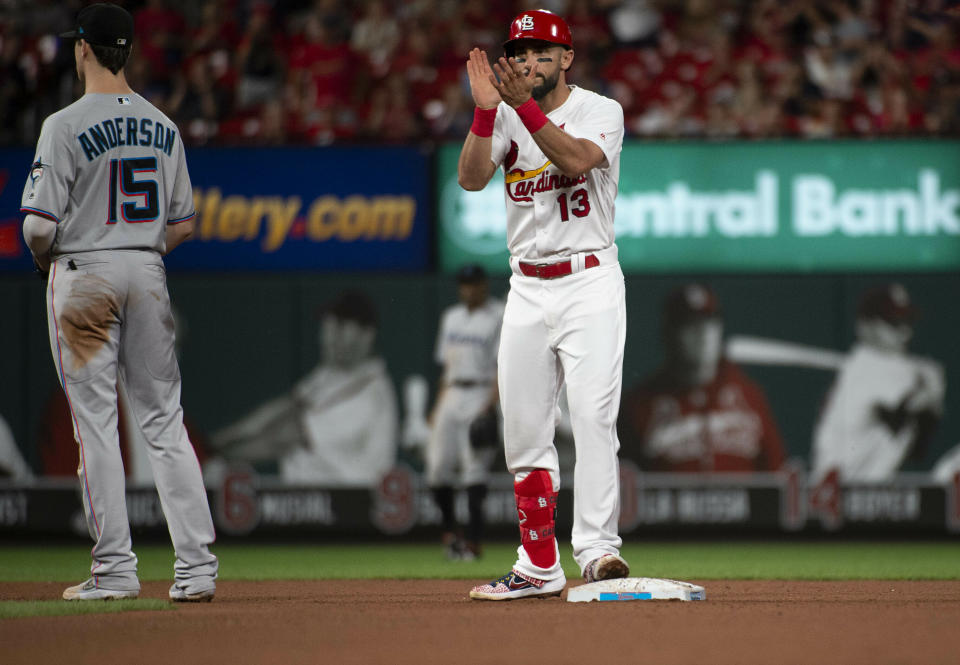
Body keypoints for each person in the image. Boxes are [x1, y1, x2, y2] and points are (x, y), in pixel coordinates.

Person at [20, 3, 218, 601]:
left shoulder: (64, 123)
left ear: (83, 49)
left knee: (97, 427)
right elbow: (184, 224)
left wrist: (49, 260)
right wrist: (136, 249)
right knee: (164, 422)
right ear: (125, 52)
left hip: (83, 273)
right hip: (147, 268)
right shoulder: (165, 125)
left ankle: (115, 570)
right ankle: (196, 570)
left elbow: (35, 227)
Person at [459, 9, 630, 600]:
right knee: (526, 429)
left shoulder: (600, 111)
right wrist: (486, 113)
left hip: (589, 281)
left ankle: (598, 549)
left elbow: (578, 161)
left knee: (590, 417)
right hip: (527, 285)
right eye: (521, 52)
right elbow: (470, 178)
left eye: (541, 52)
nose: (530, 61)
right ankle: (537, 564)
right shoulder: (505, 113)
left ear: (566, 59)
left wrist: (519, 111)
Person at [211, 290, 398, 488]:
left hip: (351, 506)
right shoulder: (332, 373)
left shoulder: (369, 393)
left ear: (367, 335)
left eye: (341, 326)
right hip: (316, 502)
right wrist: (215, 442)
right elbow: (281, 408)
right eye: (328, 325)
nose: (329, 335)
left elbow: (286, 436)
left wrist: (217, 456)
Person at [619, 283, 786, 472]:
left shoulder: (749, 397)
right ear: (669, 333)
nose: (703, 334)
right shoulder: (640, 406)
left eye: (710, 324)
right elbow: (624, 486)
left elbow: (777, 476)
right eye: (690, 325)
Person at [810, 283, 945, 483]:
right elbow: (916, 403)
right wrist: (930, 382)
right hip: (840, 497)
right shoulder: (875, 366)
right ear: (866, 327)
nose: (905, 333)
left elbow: (918, 449)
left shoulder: (870, 366)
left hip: (852, 494)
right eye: (894, 324)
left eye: (907, 322)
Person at [425, 264, 503, 560]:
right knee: (437, 468)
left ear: (484, 285)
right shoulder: (451, 317)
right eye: (464, 284)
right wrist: (436, 407)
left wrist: (490, 406)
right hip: (452, 393)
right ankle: (450, 535)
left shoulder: (498, 315)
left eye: (474, 283)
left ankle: (473, 541)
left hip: (481, 392)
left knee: (475, 469)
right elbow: (446, 368)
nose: (468, 288)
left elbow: (501, 366)